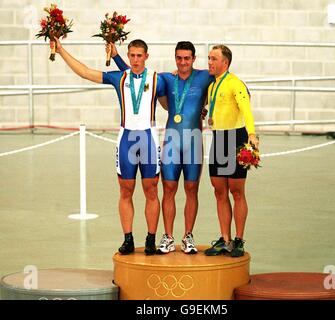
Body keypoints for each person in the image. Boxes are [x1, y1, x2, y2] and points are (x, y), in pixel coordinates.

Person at [52, 37, 166, 255]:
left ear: (146, 57)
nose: (135, 59)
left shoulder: (157, 79)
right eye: (131, 55)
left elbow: (171, 101)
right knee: (125, 190)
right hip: (126, 139)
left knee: (151, 190)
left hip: (149, 138)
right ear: (128, 55)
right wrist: (61, 50)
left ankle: (151, 239)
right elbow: (85, 72)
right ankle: (128, 238)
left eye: (139, 55)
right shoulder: (119, 78)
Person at [109, 41, 214, 254]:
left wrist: (207, 108)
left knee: (191, 189)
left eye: (187, 58)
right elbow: (134, 73)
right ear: (175, 58)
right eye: (179, 58)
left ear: (194, 59)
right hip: (171, 140)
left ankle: (188, 236)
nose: (183, 62)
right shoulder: (166, 78)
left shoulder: (205, 76)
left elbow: (223, 85)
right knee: (168, 188)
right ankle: (167, 236)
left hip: (193, 139)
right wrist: (116, 56)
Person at [203, 44, 259, 258]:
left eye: (213, 59)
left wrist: (252, 135)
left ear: (225, 63)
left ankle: (238, 239)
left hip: (236, 138)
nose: (209, 62)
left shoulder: (236, 83)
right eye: (208, 58)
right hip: (218, 139)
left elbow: (246, 109)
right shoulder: (212, 85)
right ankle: (225, 239)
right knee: (219, 191)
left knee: (237, 192)